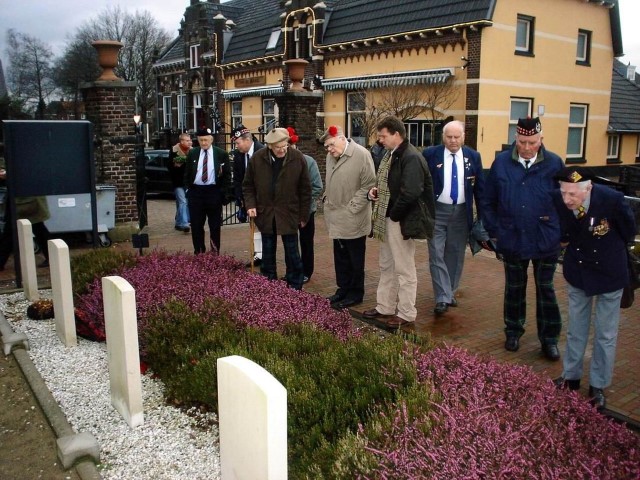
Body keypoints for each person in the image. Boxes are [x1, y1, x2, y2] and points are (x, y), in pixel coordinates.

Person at [551, 167, 636, 410]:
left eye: (572, 195)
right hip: (578, 271)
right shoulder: (560, 197)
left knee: (605, 334)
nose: (566, 199)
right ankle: (571, 377)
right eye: (564, 193)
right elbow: (564, 229)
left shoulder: (612, 200)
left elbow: (629, 231)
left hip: (609, 272)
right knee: (576, 328)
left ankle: (598, 384)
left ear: (588, 188)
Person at [481, 117, 564, 360]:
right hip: (512, 236)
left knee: (546, 289)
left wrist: (562, 233)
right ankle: (513, 330)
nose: (527, 147)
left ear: (541, 139)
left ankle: (549, 338)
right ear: (515, 138)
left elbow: (566, 200)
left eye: (532, 142)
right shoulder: (501, 163)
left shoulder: (555, 164)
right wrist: (495, 230)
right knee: (514, 288)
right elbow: (487, 201)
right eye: (522, 142)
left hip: (545, 238)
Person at [362, 116, 435, 327]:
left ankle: (406, 313)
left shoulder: (410, 157)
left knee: (404, 268)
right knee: (387, 265)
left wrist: (393, 214)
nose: (380, 140)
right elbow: (389, 182)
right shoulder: (392, 154)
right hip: (388, 217)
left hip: (399, 220)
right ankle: (384, 306)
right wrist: (378, 192)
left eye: (383, 136)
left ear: (396, 134)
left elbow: (411, 192)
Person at [423, 120, 485, 315]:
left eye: (456, 137)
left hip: (461, 212)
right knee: (436, 253)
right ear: (443, 137)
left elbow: (480, 189)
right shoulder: (430, 155)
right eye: (449, 137)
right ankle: (442, 297)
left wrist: (482, 218)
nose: (453, 141)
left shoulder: (473, 157)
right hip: (437, 211)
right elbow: (423, 183)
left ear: (463, 137)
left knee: (455, 255)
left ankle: (450, 291)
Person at [242, 127, 311, 290]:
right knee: (267, 250)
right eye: (278, 147)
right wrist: (250, 205)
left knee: (292, 251)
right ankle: (268, 282)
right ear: (270, 146)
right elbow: (248, 186)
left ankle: (295, 283)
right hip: (266, 212)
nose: (282, 150)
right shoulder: (257, 159)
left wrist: (303, 215)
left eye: (284, 146)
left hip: (289, 212)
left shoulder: (297, 157)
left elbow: (305, 189)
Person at [321, 125, 376, 309]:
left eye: (331, 145)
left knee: (355, 257)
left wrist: (352, 207)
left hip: (354, 217)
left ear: (342, 138)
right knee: (340, 256)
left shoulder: (361, 155)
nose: (329, 149)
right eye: (327, 146)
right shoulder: (331, 156)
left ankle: (355, 293)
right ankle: (343, 289)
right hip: (335, 216)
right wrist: (326, 198)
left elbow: (369, 185)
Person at [183, 127, 232, 254]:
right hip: (196, 192)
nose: (203, 143)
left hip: (213, 192)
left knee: (214, 225)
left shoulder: (221, 154)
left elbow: (227, 176)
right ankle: (199, 251)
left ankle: (215, 252)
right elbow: (187, 173)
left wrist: (223, 193)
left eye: (206, 140)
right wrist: (188, 189)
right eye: (201, 140)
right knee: (196, 225)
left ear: (211, 139)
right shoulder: (193, 153)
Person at [287, 127, 323, 284]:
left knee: (306, 242)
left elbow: (317, 187)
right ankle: (292, 270)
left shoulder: (309, 162)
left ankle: (306, 271)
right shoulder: (281, 162)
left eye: (289, 145)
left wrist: (304, 203)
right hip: (288, 211)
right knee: (290, 242)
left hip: (306, 210)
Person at [0, 167, 50, 269]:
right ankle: (51, 256)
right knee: (38, 230)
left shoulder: (25, 157)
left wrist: (7, 174)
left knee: (11, 231)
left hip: (27, 201)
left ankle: (0, 262)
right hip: (23, 200)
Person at [231, 124, 264, 266]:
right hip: (248, 198)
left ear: (246, 140)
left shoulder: (262, 151)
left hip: (263, 198)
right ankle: (259, 254)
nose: (236, 146)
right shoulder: (238, 155)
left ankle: (266, 255)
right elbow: (238, 179)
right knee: (254, 225)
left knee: (264, 226)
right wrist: (241, 199)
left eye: (238, 143)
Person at [168, 133, 192, 233]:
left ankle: (178, 222)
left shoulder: (192, 151)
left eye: (190, 140)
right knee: (183, 202)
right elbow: (170, 166)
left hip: (188, 182)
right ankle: (185, 223)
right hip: (178, 182)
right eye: (187, 140)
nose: (189, 142)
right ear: (181, 141)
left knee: (182, 203)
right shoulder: (174, 151)